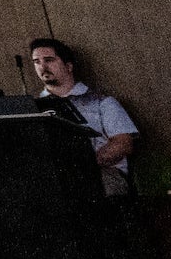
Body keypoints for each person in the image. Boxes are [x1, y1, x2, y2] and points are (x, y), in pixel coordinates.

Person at [30, 37, 138, 196]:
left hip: (100, 175)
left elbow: (123, 143)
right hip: (56, 180)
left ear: (68, 66)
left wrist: (83, 164)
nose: (42, 66)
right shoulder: (33, 109)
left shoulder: (102, 102)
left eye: (49, 60)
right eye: (36, 62)